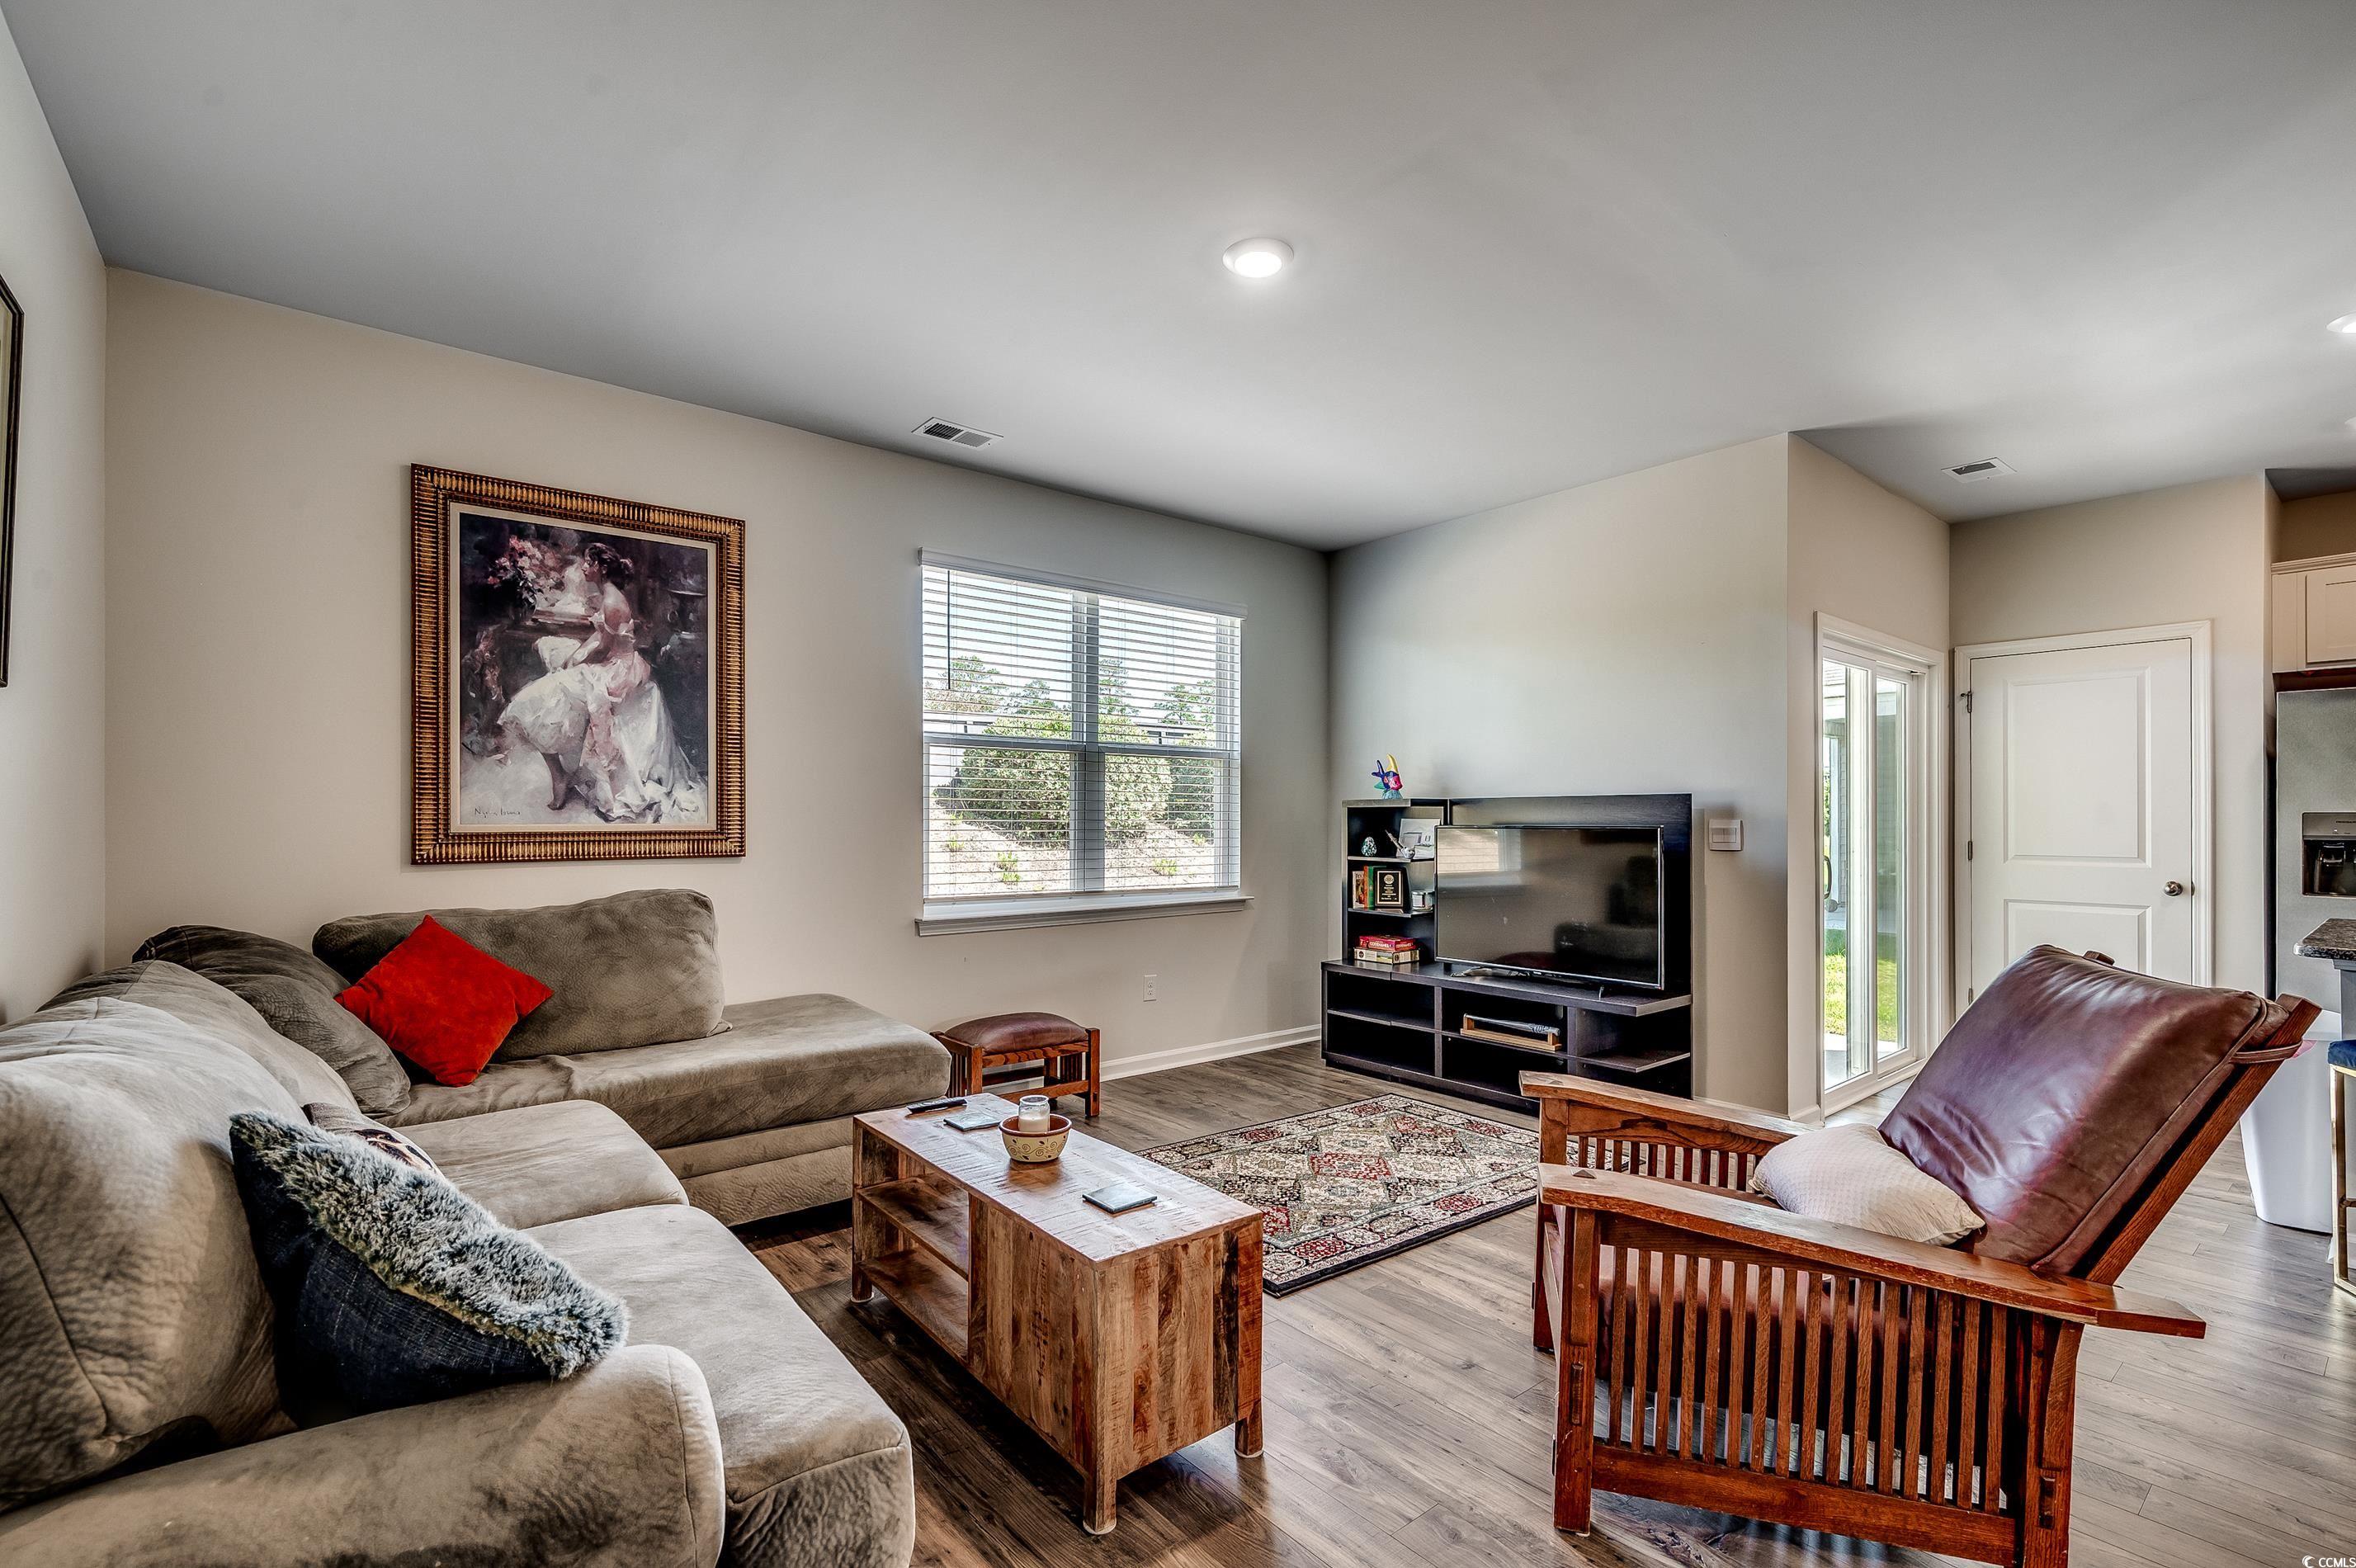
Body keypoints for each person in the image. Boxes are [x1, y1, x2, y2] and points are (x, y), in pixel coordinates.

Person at [498, 541, 703, 821]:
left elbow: (604, 648)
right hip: (615, 663)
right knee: (554, 682)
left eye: (588, 562)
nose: (583, 567)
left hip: (619, 670)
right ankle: (562, 773)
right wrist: (577, 656)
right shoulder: (609, 595)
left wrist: (576, 661)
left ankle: (561, 775)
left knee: (543, 697)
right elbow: (600, 639)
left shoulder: (611, 601)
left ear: (602, 568)